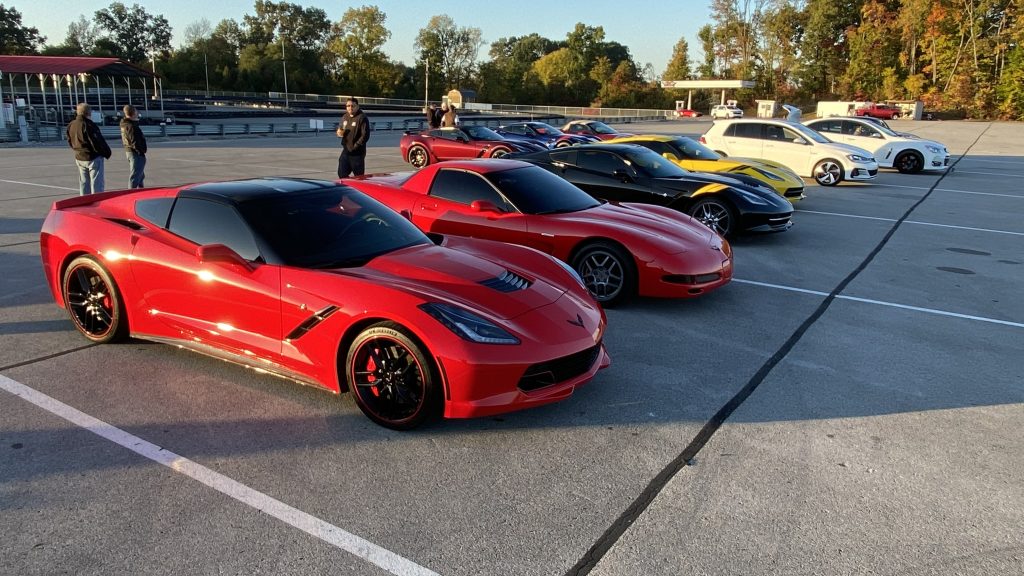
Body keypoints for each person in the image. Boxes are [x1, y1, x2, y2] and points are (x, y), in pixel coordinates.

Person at [66, 102, 112, 195]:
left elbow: (69, 139)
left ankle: (84, 200)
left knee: (83, 182)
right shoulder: (89, 125)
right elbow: (96, 141)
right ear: (89, 113)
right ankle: (97, 201)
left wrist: (76, 149)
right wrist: (106, 152)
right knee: (96, 183)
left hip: (79, 155)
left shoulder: (71, 124)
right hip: (92, 156)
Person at [336, 97, 370, 177]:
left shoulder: (362, 117)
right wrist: (339, 133)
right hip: (346, 151)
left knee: (358, 177)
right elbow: (340, 129)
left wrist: (355, 146)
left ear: (357, 106)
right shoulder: (345, 117)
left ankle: (357, 188)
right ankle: (347, 188)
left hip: (357, 153)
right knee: (342, 174)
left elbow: (365, 135)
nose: (350, 108)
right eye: (348, 106)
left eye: (352, 106)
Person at [119, 105, 147, 188]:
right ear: (133, 113)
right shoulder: (131, 126)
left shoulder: (125, 124)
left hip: (130, 151)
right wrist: (141, 152)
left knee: (140, 175)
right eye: (136, 111)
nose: (137, 113)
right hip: (135, 153)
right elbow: (134, 141)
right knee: (135, 176)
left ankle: (140, 191)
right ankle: (132, 193)